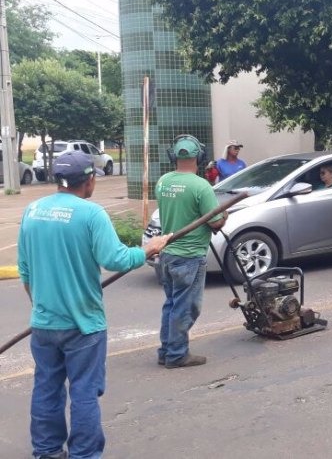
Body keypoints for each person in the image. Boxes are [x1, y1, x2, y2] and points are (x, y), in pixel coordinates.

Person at [17, 151, 170, 459]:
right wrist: (148, 249)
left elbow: (25, 270)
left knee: (46, 388)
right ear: (88, 181)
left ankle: (46, 451)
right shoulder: (91, 214)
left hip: (44, 325)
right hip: (83, 325)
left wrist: (41, 308)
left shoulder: (32, 211)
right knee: (84, 391)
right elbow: (116, 259)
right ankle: (84, 454)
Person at [155, 135, 227, 368]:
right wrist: (224, 215)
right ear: (199, 156)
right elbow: (215, 222)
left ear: (173, 155)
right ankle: (177, 354)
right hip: (189, 256)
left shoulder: (163, 181)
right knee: (185, 307)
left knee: (171, 304)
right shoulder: (200, 186)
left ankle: (166, 351)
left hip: (167, 255)